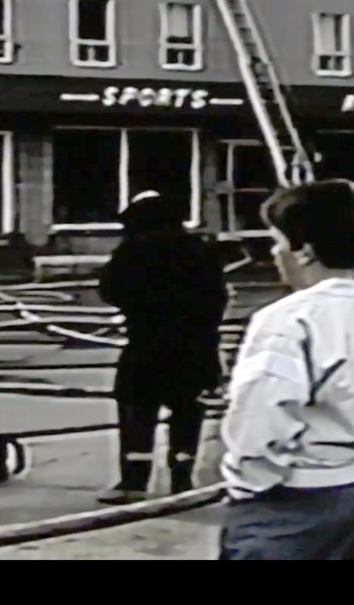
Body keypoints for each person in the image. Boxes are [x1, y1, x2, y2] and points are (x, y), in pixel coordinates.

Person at [217, 179, 354, 560]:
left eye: (276, 241)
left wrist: (247, 482)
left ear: (303, 251)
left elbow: (261, 415)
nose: (273, 253)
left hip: (296, 496)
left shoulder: (286, 321)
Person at [96, 190, 229, 504]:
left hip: (146, 345)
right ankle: (182, 478)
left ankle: (134, 480)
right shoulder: (201, 251)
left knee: (137, 411)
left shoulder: (133, 250)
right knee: (188, 412)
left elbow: (110, 290)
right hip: (195, 348)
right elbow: (217, 299)